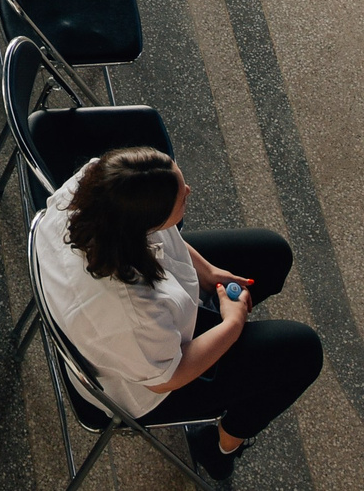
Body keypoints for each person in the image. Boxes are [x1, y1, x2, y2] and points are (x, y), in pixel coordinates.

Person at [33, 149, 321, 481]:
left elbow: (165, 236)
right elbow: (170, 377)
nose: (188, 192)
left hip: (149, 320)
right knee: (304, 353)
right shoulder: (131, 312)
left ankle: (234, 354)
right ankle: (220, 445)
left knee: (273, 255)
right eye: (180, 200)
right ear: (144, 224)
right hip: (152, 381)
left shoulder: (96, 181)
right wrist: (232, 323)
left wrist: (209, 273)